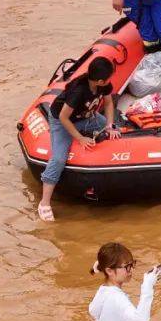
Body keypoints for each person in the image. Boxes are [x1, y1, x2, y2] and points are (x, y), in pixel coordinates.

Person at [38, 56, 121, 221]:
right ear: (99, 81)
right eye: (108, 78)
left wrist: (110, 125)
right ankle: (44, 203)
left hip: (87, 117)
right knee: (59, 158)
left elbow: (108, 104)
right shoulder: (78, 92)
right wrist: (80, 138)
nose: (110, 80)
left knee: (116, 131)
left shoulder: (104, 86)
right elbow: (63, 117)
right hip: (62, 121)